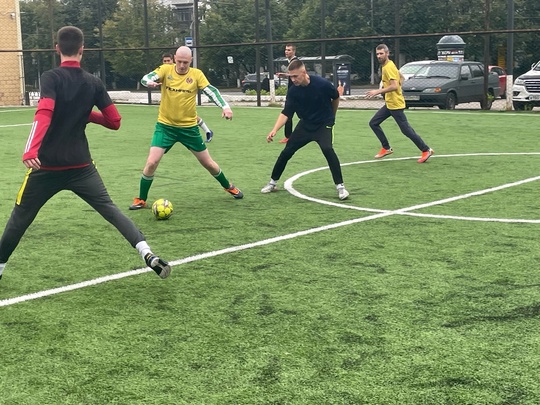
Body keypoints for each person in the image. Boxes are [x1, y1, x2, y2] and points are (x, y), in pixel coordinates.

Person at [0, 26, 171, 282]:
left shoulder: (50, 77)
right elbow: (114, 121)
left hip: (46, 167)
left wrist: (30, 149)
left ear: (57, 48)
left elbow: (45, 112)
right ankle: (146, 252)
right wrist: (87, 114)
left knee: (20, 218)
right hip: (81, 167)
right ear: (83, 49)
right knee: (110, 210)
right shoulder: (94, 82)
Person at [129, 46, 243, 210]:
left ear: (191, 61)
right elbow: (146, 78)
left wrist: (225, 107)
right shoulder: (165, 70)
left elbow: (211, 91)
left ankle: (228, 186)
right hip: (165, 127)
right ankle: (141, 199)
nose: (182, 65)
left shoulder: (196, 74)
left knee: (208, 164)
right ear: (175, 58)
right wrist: (149, 82)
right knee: (152, 162)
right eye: (180, 61)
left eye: (186, 62)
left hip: (189, 129)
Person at [261, 59, 349, 201]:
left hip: (323, 125)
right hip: (305, 125)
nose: (293, 79)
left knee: (327, 149)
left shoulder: (322, 84)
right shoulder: (293, 91)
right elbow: (286, 113)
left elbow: (336, 97)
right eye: (291, 77)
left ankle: (341, 187)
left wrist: (332, 116)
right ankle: (272, 183)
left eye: (295, 76)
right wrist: (274, 129)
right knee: (287, 152)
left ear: (304, 73)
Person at [366, 44, 434, 163]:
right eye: (377, 54)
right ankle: (386, 148)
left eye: (381, 53)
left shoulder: (388, 67)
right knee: (373, 123)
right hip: (390, 103)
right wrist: (396, 91)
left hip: (395, 105)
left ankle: (426, 150)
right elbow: (401, 78)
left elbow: (394, 86)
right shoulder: (388, 65)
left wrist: (378, 91)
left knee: (406, 130)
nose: (379, 56)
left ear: (387, 53)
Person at [161, 53, 213, 143]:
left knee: (191, 117)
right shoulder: (164, 70)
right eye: (164, 61)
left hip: (184, 101)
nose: (166, 63)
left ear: (173, 60)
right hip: (171, 102)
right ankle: (208, 131)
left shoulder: (182, 70)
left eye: (168, 60)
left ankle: (207, 131)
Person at [276, 43, 299, 144]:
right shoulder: (291, 62)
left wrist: (285, 75)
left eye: (289, 50)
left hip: (295, 93)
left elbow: (298, 74)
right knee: (292, 114)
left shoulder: (296, 62)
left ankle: (288, 137)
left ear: (294, 51)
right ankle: (289, 136)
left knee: (287, 114)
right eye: (286, 50)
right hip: (293, 92)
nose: (286, 52)